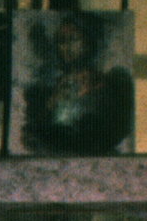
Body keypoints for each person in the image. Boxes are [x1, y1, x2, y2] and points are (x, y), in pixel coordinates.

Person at [20, 12, 136, 155]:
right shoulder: (49, 88)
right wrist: (52, 103)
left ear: (88, 42)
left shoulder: (109, 83)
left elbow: (113, 131)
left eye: (73, 39)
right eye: (61, 41)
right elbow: (33, 133)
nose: (66, 47)